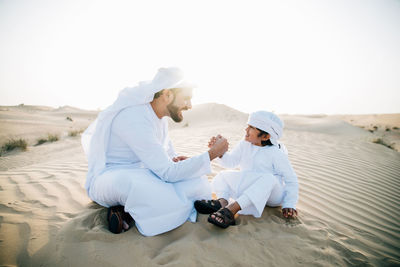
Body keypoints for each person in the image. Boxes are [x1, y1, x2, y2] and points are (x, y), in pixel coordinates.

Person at [81, 67, 228, 236]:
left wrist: (180, 161)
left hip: (145, 173)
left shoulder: (158, 118)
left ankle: (128, 212)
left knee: (198, 181)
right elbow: (168, 173)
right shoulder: (133, 117)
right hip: (112, 178)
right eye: (186, 98)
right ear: (167, 95)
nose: (189, 105)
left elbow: (168, 157)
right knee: (138, 187)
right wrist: (212, 154)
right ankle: (135, 208)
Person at [194, 111, 299, 229]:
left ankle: (231, 210)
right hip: (251, 187)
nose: (246, 129)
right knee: (223, 175)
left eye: (251, 128)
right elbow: (231, 162)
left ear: (265, 136)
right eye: (247, 126)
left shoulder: (276, 153)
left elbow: (291, 180)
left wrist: (289, 204)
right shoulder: (244, 144)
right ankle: (222, 202)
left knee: (269, 178)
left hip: (273, 194)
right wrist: (219, 152)